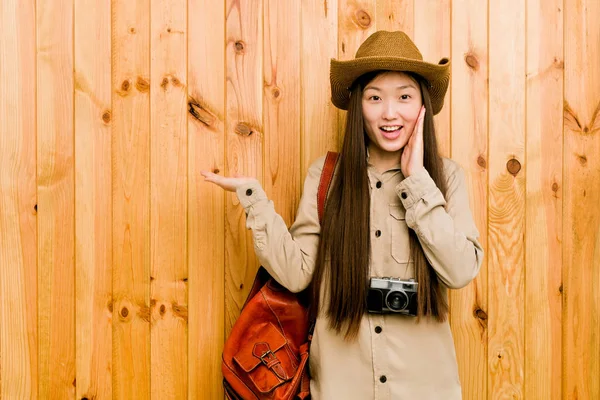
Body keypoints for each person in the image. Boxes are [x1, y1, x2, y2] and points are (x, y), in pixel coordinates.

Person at [202, 30, 483, 400]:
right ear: (357, 105)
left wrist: (417, 180)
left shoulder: (445, 179)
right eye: (375, 97)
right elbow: (297, 272)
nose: (389, 112)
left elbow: (461, 270)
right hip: (340, 389)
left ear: (422, 106)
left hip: (426, 389)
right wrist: (254, 199)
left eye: (404, 97)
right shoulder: (327, 176)